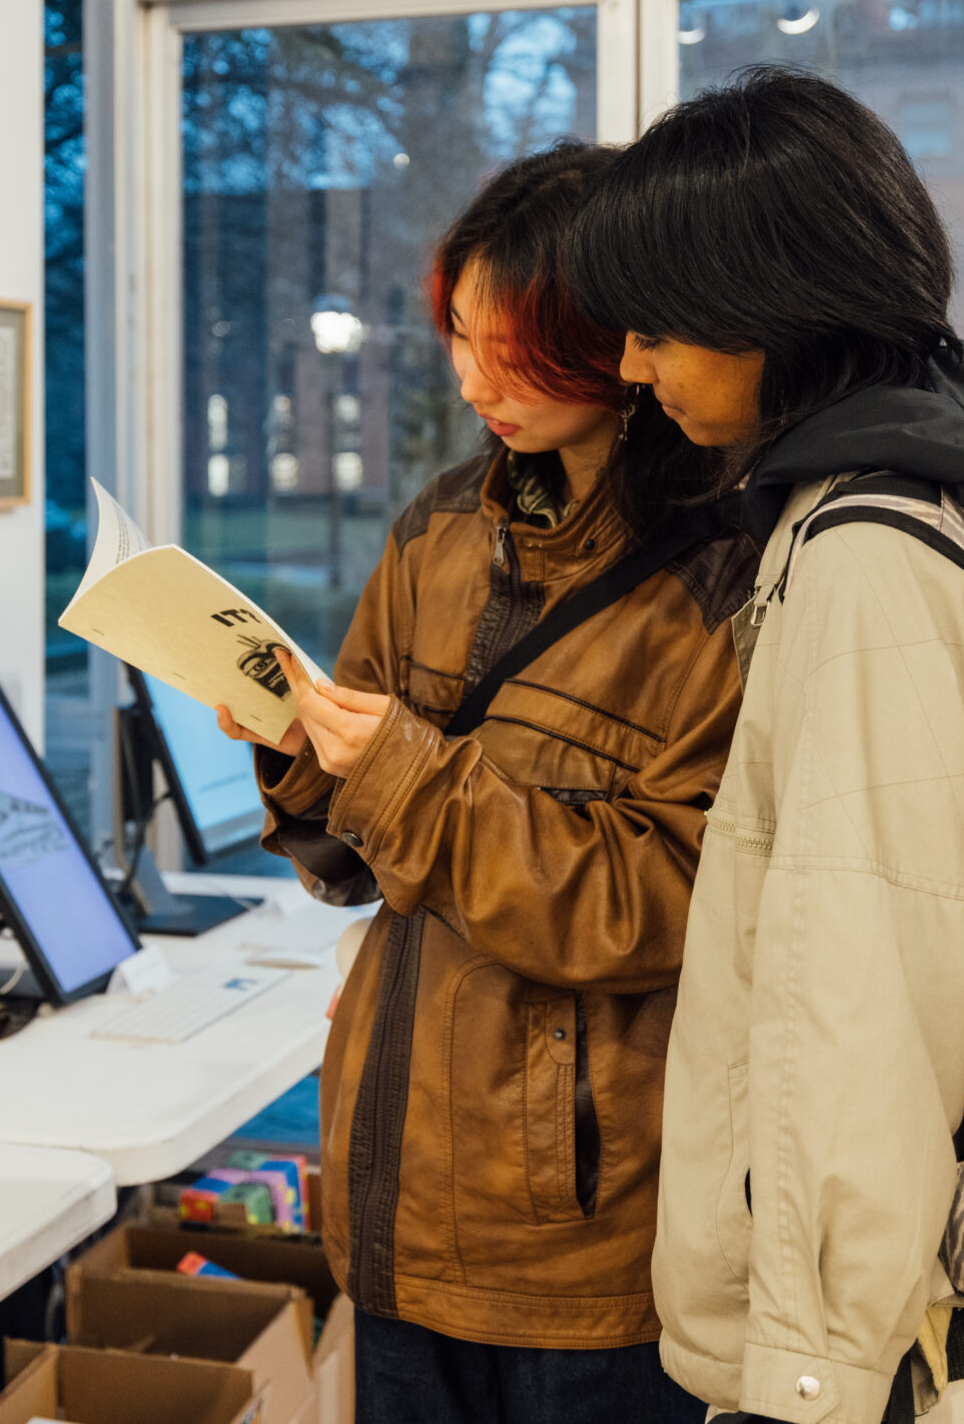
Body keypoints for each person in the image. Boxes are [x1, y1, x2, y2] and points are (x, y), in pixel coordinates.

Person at [562, 65, 964, 1424]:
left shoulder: (871, 558)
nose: (634, 372)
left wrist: (808, 1382)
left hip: (892, 1359)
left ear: (767, 308)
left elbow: (860, 1005)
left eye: (655, 329)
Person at [215, 141, 757, 1424]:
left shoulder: (725, 577)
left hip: (584, 1239)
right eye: (458, 336)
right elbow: (355, 864)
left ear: (612, 341)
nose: (474, 380)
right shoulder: (437, 528)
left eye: (508, 346)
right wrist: (296, 754)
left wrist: (399, 773)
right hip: (394, 1198)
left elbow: (661, 900)